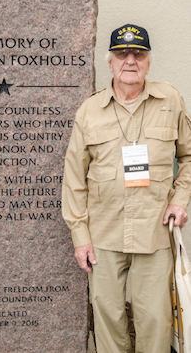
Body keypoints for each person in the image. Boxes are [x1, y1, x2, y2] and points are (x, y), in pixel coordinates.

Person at [62, 23, 191, 353]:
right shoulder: (90, 110)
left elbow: (188, 156)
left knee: (155, 319)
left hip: (154, 230)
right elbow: (74, 178)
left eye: (138, 54)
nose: (130, 61)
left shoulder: (170, 100)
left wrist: (180, 200)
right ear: (110, 62)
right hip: (103, 232)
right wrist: (81, 236)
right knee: (108, 315)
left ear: (148, 62)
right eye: (122, 54)